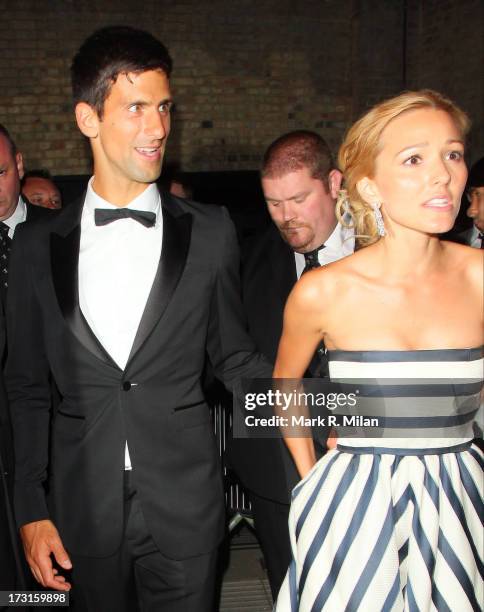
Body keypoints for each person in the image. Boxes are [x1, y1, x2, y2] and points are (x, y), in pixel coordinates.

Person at [5, 26, 269, 612]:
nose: (158, 129)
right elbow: (26, 388)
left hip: (186, 509)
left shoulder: (212, 230)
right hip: (81, 512)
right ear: (87, 118)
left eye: (164, 108)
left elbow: (237, 361)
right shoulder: (34, 247)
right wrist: (31, 508)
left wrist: (347, 411)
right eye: (136, 108)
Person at [273, 90, 483, 611]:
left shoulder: (480, 278)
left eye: (452, 154)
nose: (442, 175)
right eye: (414, 158)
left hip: (462, 495)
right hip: (355, 501)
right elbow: (280, 388)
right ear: (369, 185)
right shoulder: (323, 290)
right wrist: (314, 481)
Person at [229, 131, 354, 598]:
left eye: (299, 199)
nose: (286, 217)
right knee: (297, 591)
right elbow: (237, 360)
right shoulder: (246, 260)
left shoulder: (382, 249)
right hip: (276, 467)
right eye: (273, 203)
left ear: (334, 183)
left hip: (375, 456)